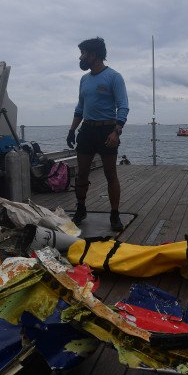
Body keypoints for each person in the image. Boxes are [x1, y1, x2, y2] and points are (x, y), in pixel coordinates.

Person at [66, 37, 129, 231]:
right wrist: (71, 130)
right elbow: (80, 107)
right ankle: (81, 208)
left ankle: (115, 214)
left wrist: (116, 131)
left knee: (111, 173)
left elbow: (123, 106)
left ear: (94, 55)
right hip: (87, 130)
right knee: (82, 172)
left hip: (107, 130)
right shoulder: (84, 79)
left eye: (84, 53)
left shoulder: (114, 77)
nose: (81, 57)